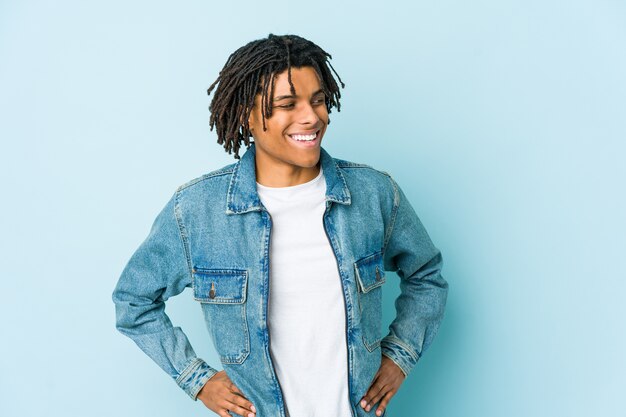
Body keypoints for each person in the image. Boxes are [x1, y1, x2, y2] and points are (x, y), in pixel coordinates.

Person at [112, 33, 448, 417]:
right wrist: (196, 379)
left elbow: (427, 275)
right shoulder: (196, 211)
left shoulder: (373, 194)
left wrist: (400, 356)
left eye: (318, 100)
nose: (312, 117)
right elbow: (133, 301)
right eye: (287, 104)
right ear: (246, 115)